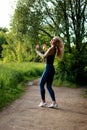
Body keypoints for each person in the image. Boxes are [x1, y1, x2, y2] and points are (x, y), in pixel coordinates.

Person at [35, 36, 64, 108]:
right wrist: (44, 50)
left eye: (53, 39)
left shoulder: (51, 48)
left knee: (41, 84)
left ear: (54, 42)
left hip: (48, 68)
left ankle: (43, 102)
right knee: (48, 86)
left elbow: (43, 57)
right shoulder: (53, 49)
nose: (51, 39)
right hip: (51, 69)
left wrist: (37, 51)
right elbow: (47, 58)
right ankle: (54, 103)